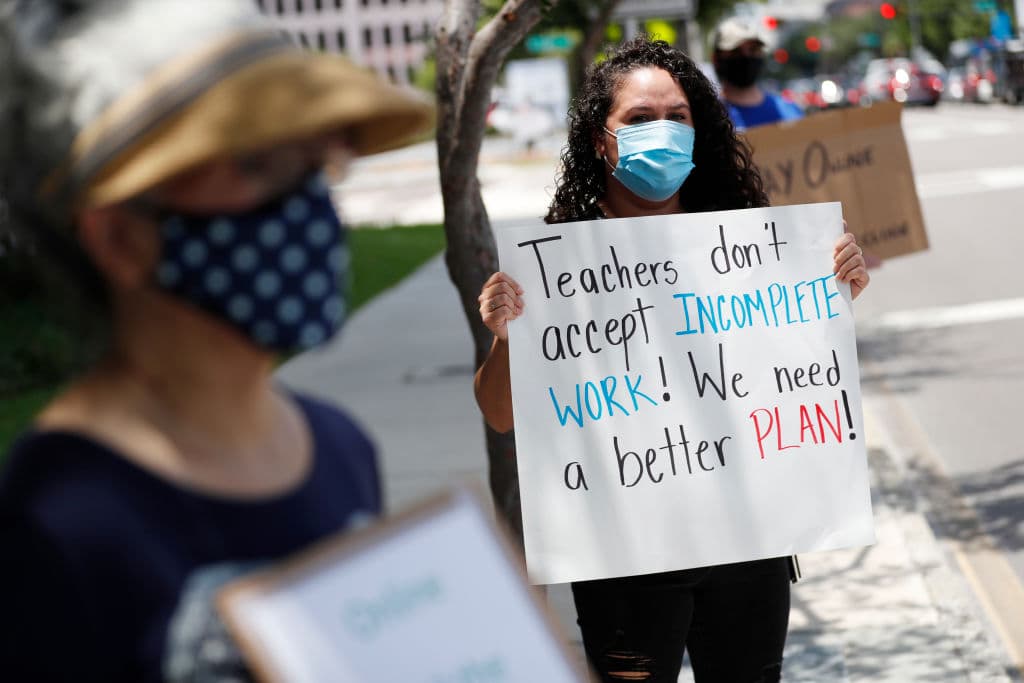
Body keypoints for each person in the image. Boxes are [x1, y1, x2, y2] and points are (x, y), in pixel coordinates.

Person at [0, 1, 431, 680]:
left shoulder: (341, 447)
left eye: (319, 161)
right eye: (258, 164)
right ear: (120, 237)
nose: (312, 206)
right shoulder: (54, 519)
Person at [474, 37, 868, 683]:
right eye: (639, 118)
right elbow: (499, 414)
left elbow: (794, 374)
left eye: (677, 116)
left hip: (749, 541)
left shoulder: (746, 242)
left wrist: (834, 291)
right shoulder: (557, 266)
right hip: (623, 557)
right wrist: (507, 338)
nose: (662, 131)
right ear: (600, 140)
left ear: (699, 127)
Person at [712, 17, 803, 130]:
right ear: (716, 59)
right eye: (736, 51)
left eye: (753, 49)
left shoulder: (790, 112)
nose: (746, 57)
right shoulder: (708, 118)